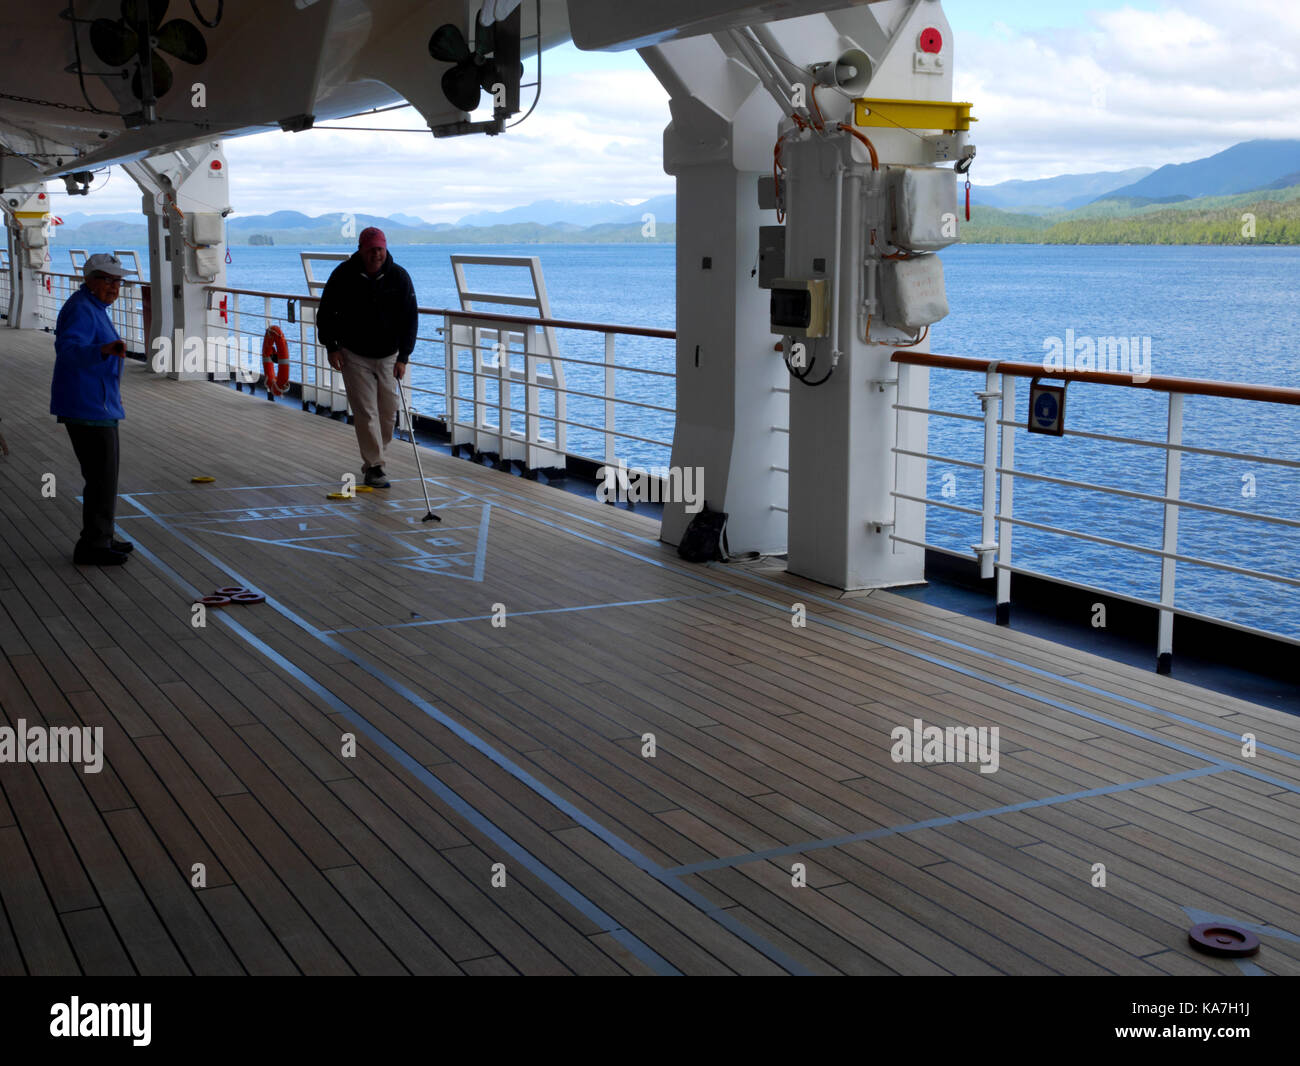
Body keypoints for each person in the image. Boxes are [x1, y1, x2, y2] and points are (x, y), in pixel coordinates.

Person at [316, 227, 419, 488]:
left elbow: (410, 319)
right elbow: (326, 312)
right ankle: (374, 466)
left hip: (389, 355)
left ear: (386, 249)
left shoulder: (399, 277)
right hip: (354, 353)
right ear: (361, 250)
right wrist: (332, 347)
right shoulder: (343, 275)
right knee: (366, 411)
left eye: (380, 249)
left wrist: (403, 357)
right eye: (372, 249)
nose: (377, 254)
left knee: (388, 413)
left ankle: (376, 456)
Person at [49, 253, 133, 566]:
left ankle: (104, 536)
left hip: (99, 403)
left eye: (118, 281)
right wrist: (103, 349)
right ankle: (93, 546)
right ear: (89, 280)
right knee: (101, 477)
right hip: (86, 407)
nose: (114, 286)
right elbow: (68, 351)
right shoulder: (82, 309)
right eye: (107, 279)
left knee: (104, 476)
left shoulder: (94, 306)